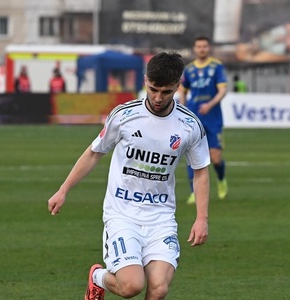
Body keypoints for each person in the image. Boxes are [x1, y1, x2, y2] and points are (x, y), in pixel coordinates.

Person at [47, 52, 210, 300]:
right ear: (145, 80)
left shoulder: (189, 125)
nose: (157, 97)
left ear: (178, 85)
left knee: (158, 288)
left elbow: (200, 171)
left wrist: (202, 218)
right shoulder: (125, 115)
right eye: (153, 89)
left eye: (165, 92)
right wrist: (63, 189)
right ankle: (97, 277)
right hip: (122, 214)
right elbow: (94, 153)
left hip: (161, 217)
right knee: (132, 286)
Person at [179, 36, 228, 205]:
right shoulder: (189, 69)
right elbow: (183, 91)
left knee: (215, 158)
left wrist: (210, 104)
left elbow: (222, 90)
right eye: (198, 46)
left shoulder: (216, 66)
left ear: (209, 48)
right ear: (194, 49)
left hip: (213, 118)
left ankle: (221, 179)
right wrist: (183, 110)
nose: (201, 49)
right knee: (192, 155)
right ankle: (194, 192)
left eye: (204, 46)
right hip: (194, 117)